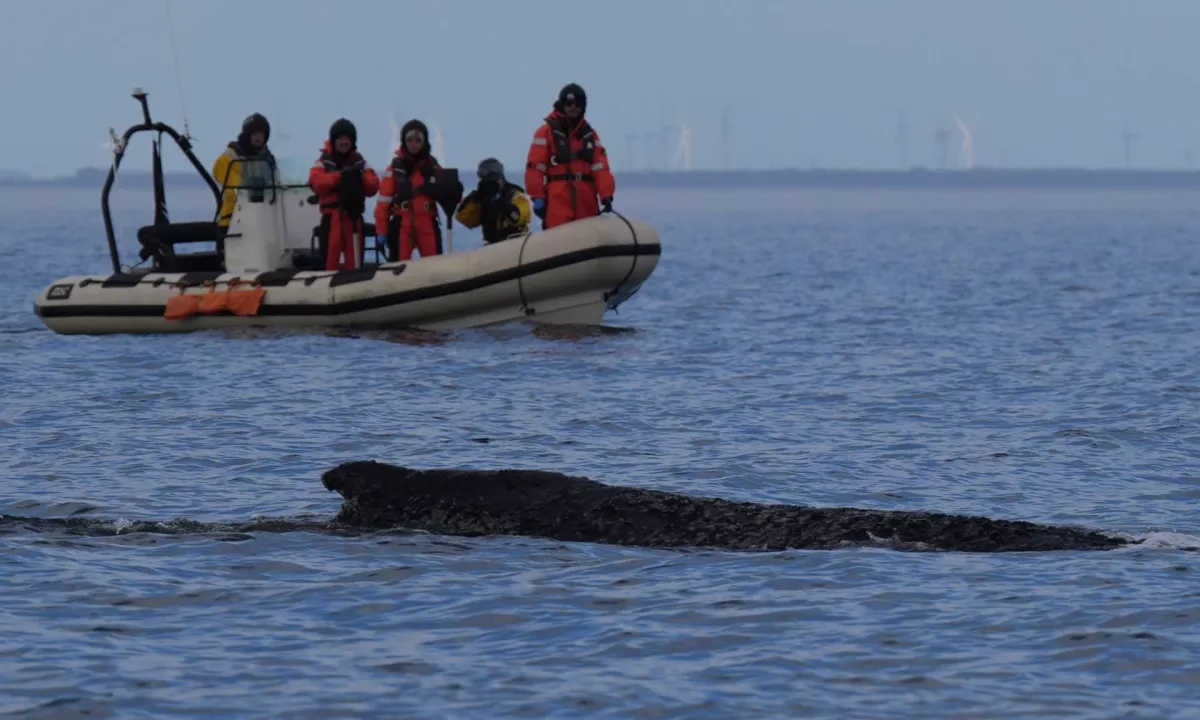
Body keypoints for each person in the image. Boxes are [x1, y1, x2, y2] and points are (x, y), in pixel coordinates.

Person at [524, 83, 615, 230]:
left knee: (588, 235)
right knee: (558, 237)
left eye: (577, 104)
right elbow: (534, 168)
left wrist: (606, 194)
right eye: (569, 104)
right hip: (557, 200)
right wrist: (537, 197)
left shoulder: (590, 135)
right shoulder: (545, 133)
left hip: (586, 201)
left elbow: (600, 168)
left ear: (583, 106)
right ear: (562, 105)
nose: (573, 107)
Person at [375, 119, 463, 261]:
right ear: (404, 142)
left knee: (434, 266)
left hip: (427, 222)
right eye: (410, 140)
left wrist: (456, 191)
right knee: (398, 268)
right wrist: (381, 231)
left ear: (424, 142)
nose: (414, 144)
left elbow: (451, 196)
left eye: (418, 140)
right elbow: (382, 205)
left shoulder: (434, 168)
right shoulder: (393, 170)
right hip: (402, 224)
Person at [308, 118, 380, 271]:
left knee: (355, 265)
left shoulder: (359, 162)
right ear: (333, 140)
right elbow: (317, 183)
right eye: (340, 138)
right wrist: (340, 176)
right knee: (329, 265)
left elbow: (373, 187)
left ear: (352, 141)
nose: (343, 141)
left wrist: (357, 176)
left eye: (347, 138)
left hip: (353, 218)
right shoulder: (322, 162)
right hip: (331, 218)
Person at [212, 113, 277, 228]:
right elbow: (236, 188)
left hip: (264, 218)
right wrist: (254, 187)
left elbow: (277, 182)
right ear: (247, 135)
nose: (259, 138)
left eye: (262, 134)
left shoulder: (268, 159)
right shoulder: (230, 157)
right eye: (255, 134)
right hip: (233, 220)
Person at [454, 158, 532, 244]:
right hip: (492, 246)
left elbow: (517, 217)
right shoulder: (483, 199)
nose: (493, 185)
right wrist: (477, 199)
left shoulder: (516, 196)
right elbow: (464, 218)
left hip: (515, 243)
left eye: (495, 182)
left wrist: (498, 200)